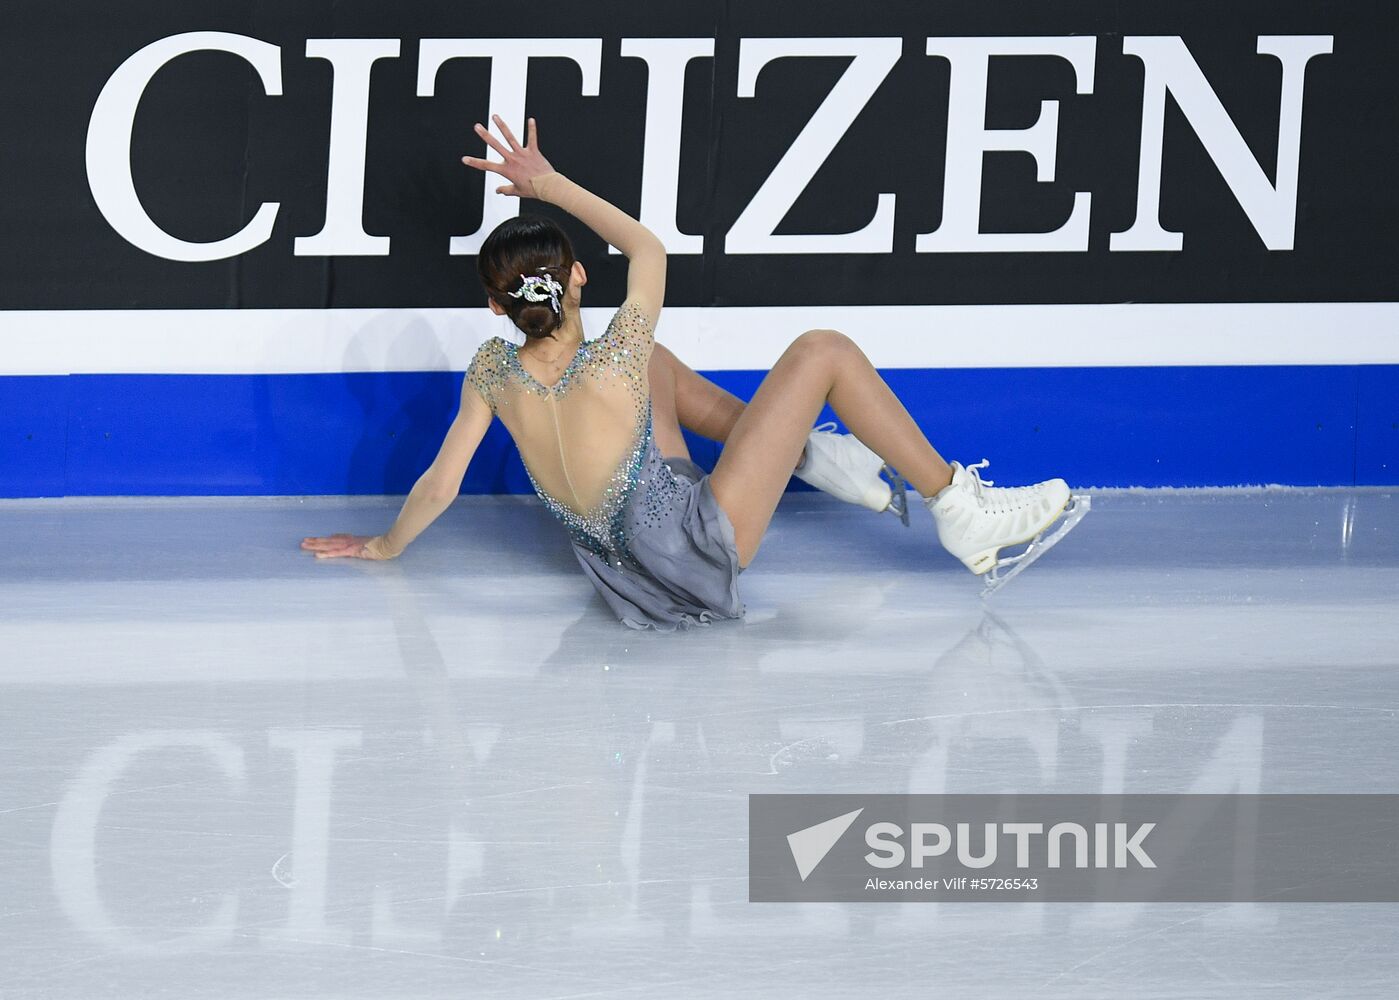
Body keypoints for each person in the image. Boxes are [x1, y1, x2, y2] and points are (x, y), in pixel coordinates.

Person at [301, 116, 1087, 629]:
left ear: (495, 307)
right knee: (823, 352)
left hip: (623, 575)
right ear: (575, 277)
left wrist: (384, 548)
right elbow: (648, 250)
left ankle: (815, 456)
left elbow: (438, 485)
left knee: (657, 366)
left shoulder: (490, 370)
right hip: (696, 553)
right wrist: (547, 186)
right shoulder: (614, 355)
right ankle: (953, 506)